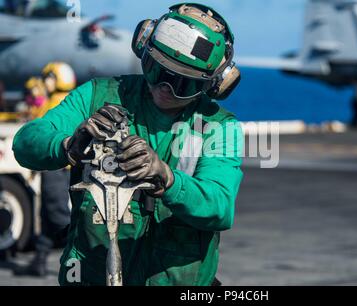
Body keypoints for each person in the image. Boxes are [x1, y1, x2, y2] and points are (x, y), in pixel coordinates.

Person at [13, 3, 243, 286]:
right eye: (156, 71)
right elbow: (26, 142)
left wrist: (168, 180)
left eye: (181, 84)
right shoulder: (98, 95)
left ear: (212, 84)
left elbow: (219, 207)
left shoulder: (218, 126)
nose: (163, 88)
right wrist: (68, 145)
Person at [14, 62, 76, 276]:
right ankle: (39, 261)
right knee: (48, 217)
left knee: (57, 214)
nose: (44, 82)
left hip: (56, 169)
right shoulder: (70, 101)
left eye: (48, 78)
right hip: (64, 168)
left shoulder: (54, 105)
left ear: (55, 79)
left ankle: (82, 254)